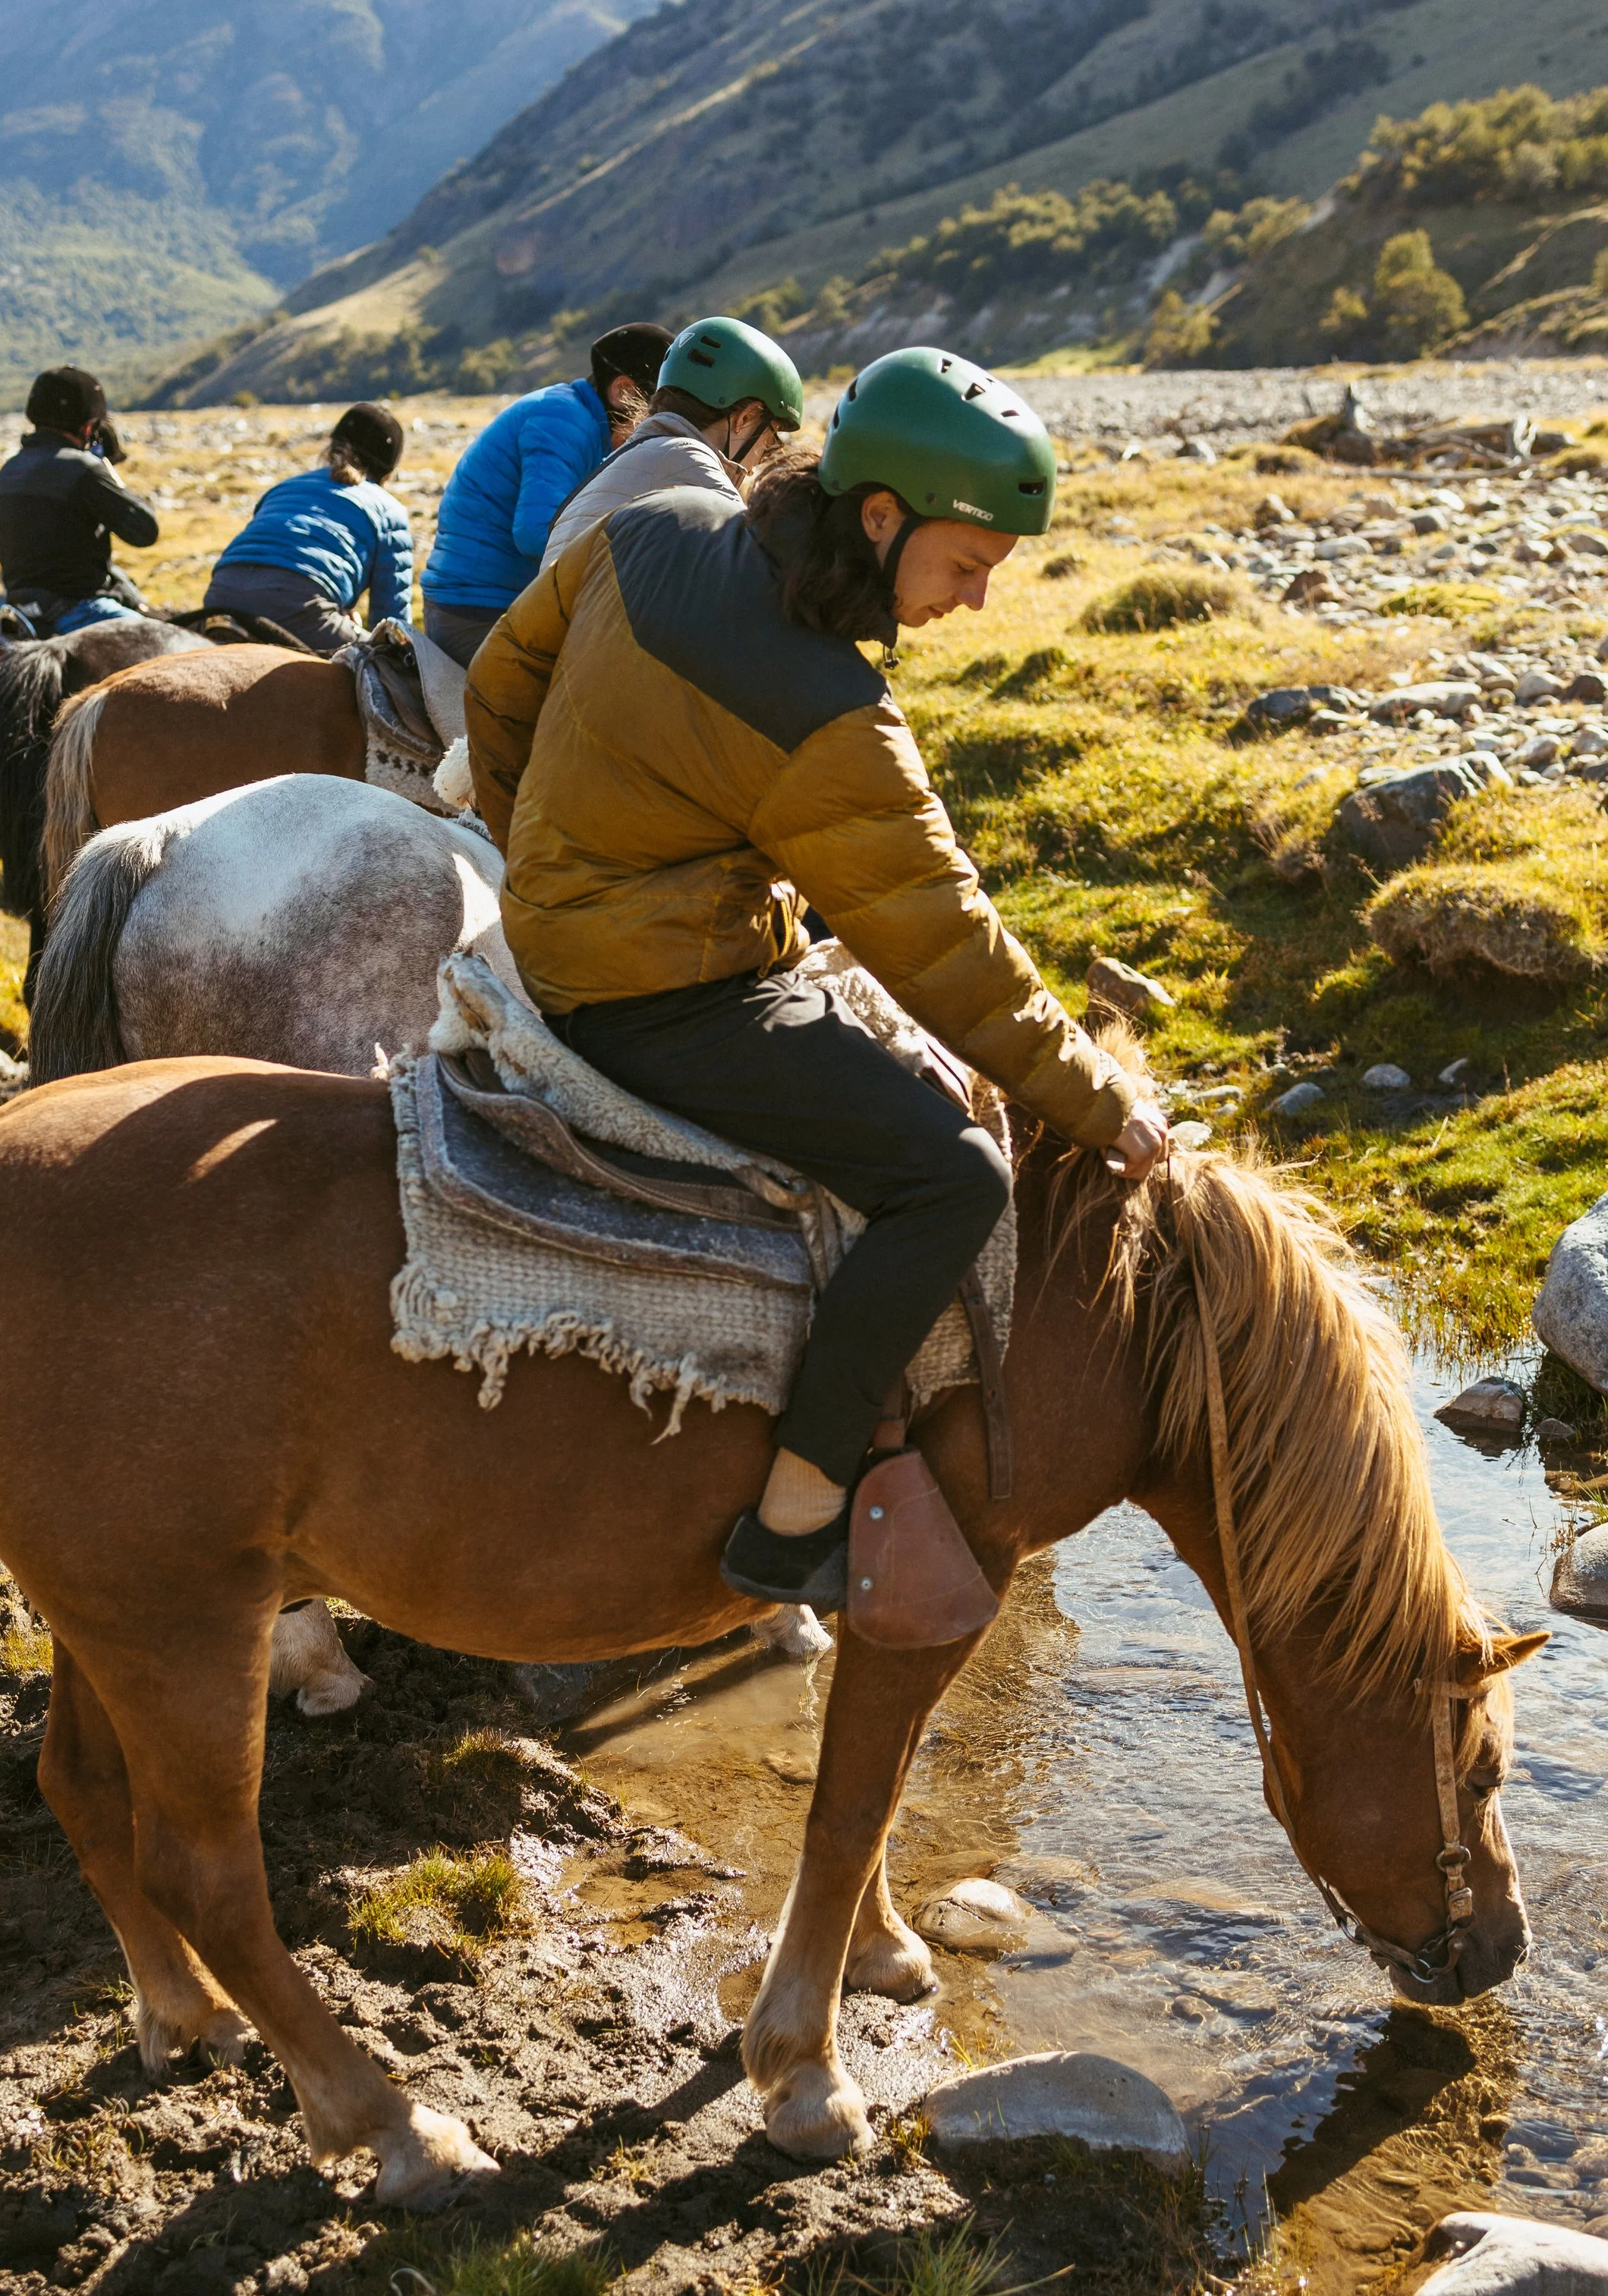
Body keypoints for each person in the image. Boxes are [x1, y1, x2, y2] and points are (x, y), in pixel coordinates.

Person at [465, 346, 1169, 1612]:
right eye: (969, 563)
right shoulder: (830, 715)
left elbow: (501, 683)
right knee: (956, 1175)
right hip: (664, 996)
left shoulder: (653, 526)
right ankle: (796, 1513)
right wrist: (1102, 1103)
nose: (977, 600)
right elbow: (948, 946)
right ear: (881, 518)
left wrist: (540, 869)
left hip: (556, 939)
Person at [420, 324, 673, 672]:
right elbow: (537, 534)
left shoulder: (576, 417)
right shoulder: (563, 420)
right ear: (623, 392)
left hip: (481, 602)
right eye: (653, 414)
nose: (652, 430)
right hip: (478, 611)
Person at [540, 316, 803, 568]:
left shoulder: (615, 464)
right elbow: (751, 576)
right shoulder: (693, 469)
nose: (757, 464)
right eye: (769, 442)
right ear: (744, 419)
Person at [203, 404, 413, 656]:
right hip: (300, 606)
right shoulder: (389, 510)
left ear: (331, 448)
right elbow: (391, 624)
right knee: (388, 662)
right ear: (388, 471)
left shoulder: (284, 487)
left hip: (221, 592)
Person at [0, 368, 161, 634]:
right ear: (89, 427)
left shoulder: (9, 469)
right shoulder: (83, 469)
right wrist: (106, 470)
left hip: (17, 608)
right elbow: (146, 531)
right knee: (166, 646)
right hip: (77, 608)